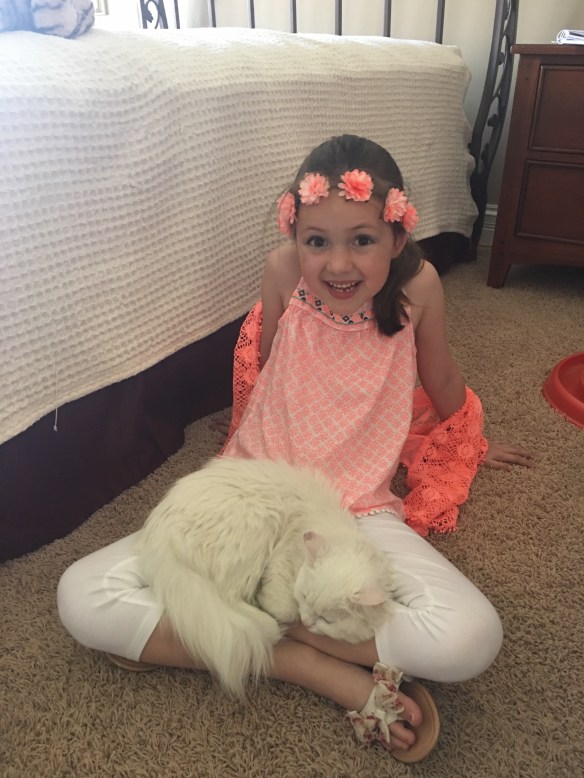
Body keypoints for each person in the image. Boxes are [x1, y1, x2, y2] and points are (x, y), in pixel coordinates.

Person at [57, 135, 532, 763]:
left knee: (472, 637)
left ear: (397, 236)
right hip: (257, 487)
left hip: (355, 506)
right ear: (294, 235)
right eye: (317, 242)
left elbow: (440, 374)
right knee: (81, 595)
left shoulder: (420, 286)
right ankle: (308, 663)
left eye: (362, 240)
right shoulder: (283, 271)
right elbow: (270, 362)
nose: (338, 264)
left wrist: (466, 437)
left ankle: (235, 628)